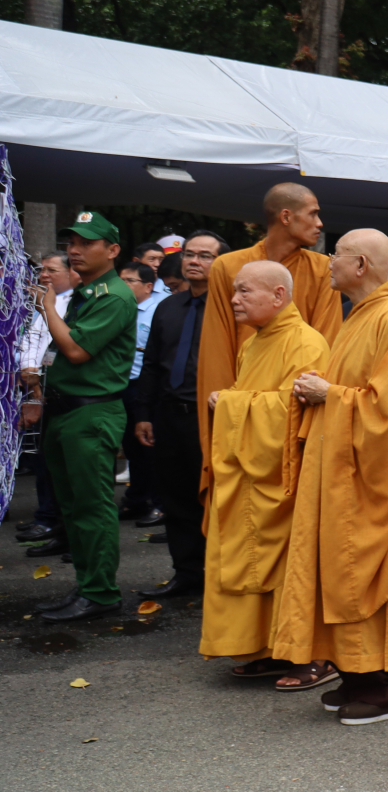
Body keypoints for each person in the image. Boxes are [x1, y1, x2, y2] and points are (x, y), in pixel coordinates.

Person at [273, 228, 388, 720]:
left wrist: (332, 395)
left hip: (373, 478)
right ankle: (359, 675)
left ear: (362, 264)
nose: (327, 262)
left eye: (337, 255)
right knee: (340, 573)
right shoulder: (360, 316)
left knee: (366, 572)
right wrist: (319, 390)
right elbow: (355, 389)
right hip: (344, 471)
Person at [201, 261, 331, 681]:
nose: (234, 300)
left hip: (284, 479)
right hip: (249, 473)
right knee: (246, 560)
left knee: (289, 565)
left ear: (278, 295)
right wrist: (236, 401)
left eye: (244, 292)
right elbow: (258, 396)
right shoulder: (252, 343)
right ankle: (266, 646)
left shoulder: (306, 342)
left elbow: (292, 412)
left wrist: (231, 404)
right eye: (235, 292)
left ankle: (311, 655)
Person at [200, 184, 343, 508]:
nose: (321, 223)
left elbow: (323, 351)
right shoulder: (228, 266)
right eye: (314, 213)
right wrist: (220, 419)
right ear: (286, 216)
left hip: (291, 411)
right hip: (236, 415)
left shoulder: (323, 270)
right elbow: (216, 356)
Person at [32, 213, 138, 623]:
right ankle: (88, 585)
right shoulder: (87, 291)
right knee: (73, 506)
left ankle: (101, 593)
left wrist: (46, 306)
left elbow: (75, 352)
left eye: (86, 243)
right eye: (71, 242)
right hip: (68, 410)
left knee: (91, 507)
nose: (74, 250)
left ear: (112, 250)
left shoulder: (112, 295)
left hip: (91, 412)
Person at [129, 231, 227, 598]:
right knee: (175, 498)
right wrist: (144, 413)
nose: (194, 261)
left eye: (205, 255)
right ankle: (187, 573)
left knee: (214, 499)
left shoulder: (232, 308)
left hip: (210, 417)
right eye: (189, 254)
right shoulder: (169, 307)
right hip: (168, 414)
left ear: (221, 262)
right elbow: (151, 363)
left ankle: (220, 579)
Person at [18, 253, 76, 551]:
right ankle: (47, 517)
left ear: (71, 272)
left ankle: (58, 524)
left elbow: (62, 349)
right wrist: (27, 371)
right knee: (44, 460)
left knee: (58, 466)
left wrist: (38, 384)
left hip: (56, 391)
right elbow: (31, 340)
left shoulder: (75, 303)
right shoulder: (45, 303)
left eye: (51, 270)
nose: (43, 275)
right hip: (36, 387)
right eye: (41, 270)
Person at [116, 261, 164, 525]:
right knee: (131, 447)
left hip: (144, 385)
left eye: (129, 281)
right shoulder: (118, 308)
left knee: (150, 447)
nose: (123, 286)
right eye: (121, 280)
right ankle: (136, 499)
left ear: (148, 286)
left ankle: (159, 503)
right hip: (119, 383)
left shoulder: (157, 310)